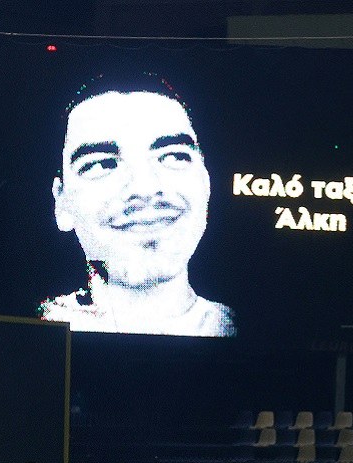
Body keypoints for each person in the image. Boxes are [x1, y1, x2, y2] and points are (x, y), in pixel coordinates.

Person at [40, 73, 235, 337]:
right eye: (100, 164)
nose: (144, 187)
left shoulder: (245, 327)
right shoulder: (29, 331)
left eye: (174, 156)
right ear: (61, 203)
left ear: (206, 182)